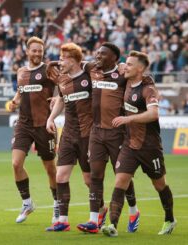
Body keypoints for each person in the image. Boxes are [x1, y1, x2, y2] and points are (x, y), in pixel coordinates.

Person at [102, 51, 176, 237]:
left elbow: (153, 114)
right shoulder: (125, 79)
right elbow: (109, 67)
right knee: (120, 181)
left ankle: (169, 218)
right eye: (125, 63)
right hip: (129, 145)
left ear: (140, 68)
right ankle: (113, 225)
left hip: (150, 147)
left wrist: (129, 120)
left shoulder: (148, 89)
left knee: (159, 185)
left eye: (129, 64)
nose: (125, 66)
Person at [78, 43, 139, 234]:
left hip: (117, 134)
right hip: (96, 133)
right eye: (97, 53)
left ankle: (133, 211)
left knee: (122, 177)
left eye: (103, 54)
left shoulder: (123, 75)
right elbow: (74, 61)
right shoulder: (92, 69)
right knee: (95, 176)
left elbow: (142, 79)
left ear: (114, 58)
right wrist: (53, 62)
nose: (98, 56)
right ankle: (93, 219)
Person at [45, 43, 106, 232]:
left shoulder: (89, 76)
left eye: (63, 58)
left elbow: (94, 65)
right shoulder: (62, 80)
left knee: (89, 180)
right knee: (60, 176)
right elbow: (61, 99)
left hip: (88, 135)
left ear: (73, 60)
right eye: (60, 58)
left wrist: (84, 62)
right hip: (68, 134)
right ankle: (63, 220)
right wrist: (51, 118)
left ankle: (97, 216)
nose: (60, 62)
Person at [9, 36, 58, 224]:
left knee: (50, 169)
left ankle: (57, 204)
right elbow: (21, 91)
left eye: (40, 51)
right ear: (27, 51)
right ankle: (27, 203)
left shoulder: (49, 70)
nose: (37, 53)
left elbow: (61, 87)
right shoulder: (21, 71)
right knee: (16, 163)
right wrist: (14, 101)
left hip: (44, 125)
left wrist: (56, 98)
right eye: (34, 50)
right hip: (24, 124)